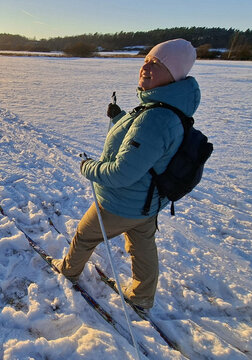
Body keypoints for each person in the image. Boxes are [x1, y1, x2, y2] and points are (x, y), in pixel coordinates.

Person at [52, 38, 200, 315]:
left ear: (175, 74)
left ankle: (68, 271)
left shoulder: (155, 118)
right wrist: (119, 118)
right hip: (148, 201)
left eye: (157, 64)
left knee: (85, 237)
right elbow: (142, 146)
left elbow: (121, 172)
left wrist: (88, 168)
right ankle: (143, 296)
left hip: (121, 202)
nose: (146, 67)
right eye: (147, 60)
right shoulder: (166, 108)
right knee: (142, 247)